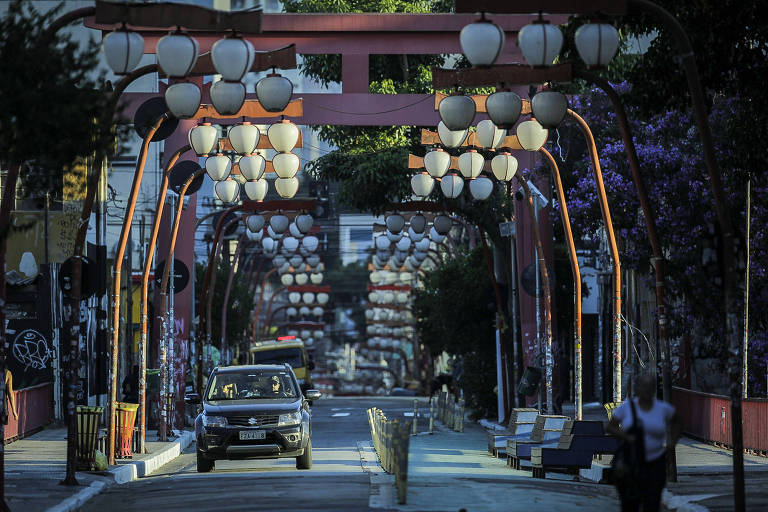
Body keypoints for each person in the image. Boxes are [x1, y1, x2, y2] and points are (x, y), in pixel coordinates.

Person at [606, 374, 683, 512]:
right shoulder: (627, 408)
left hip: (655, 462)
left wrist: (672, 443)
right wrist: (627, 437)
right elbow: (610, 427)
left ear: (654, 389)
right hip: (631, 462)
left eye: (650, 387)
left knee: (652, 502)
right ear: (637, 388)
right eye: (643, 386)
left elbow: (678, 421)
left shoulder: (662, 408)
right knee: (630, 503)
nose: (646, 390)